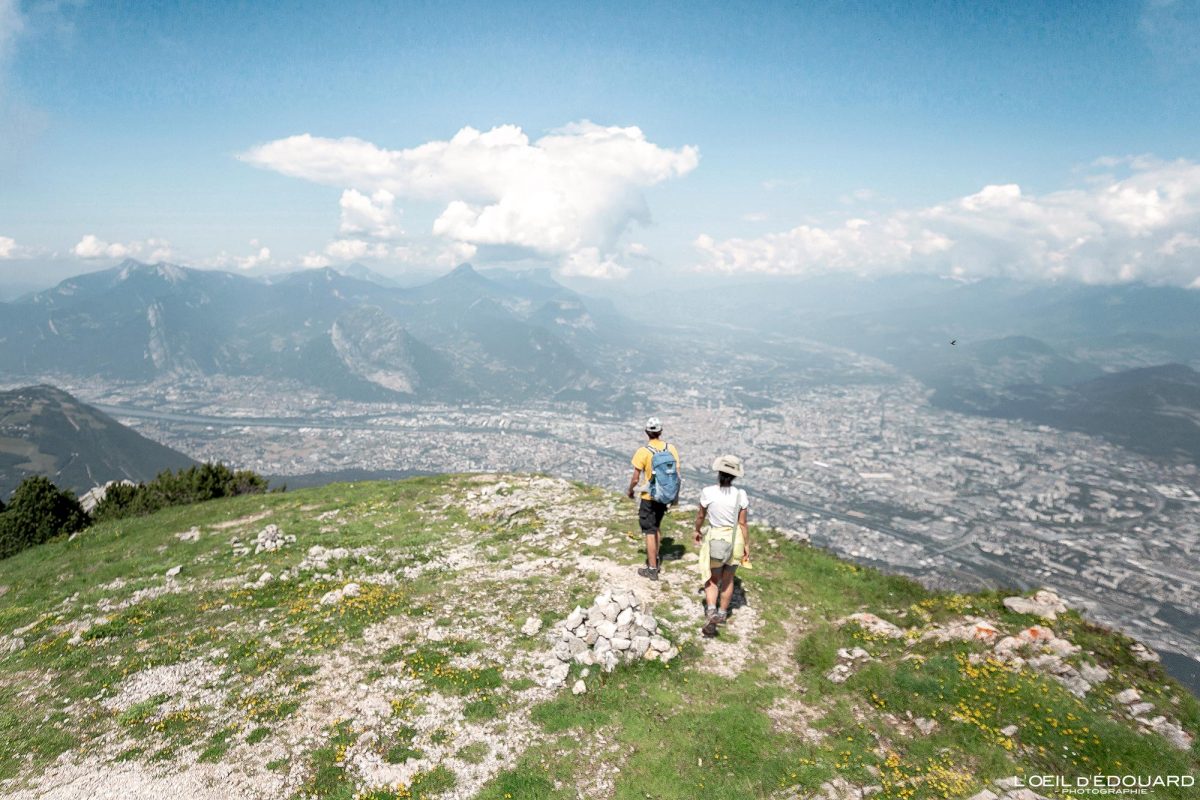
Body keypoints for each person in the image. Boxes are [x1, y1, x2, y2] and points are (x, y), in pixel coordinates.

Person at [693, 454, 749, 637]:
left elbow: (701, 516)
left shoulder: (708, 492)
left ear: (718, 472)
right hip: (735, 541)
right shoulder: (741, 495)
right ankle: (723, 613)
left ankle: (711, 611)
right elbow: (742, 523)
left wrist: (697, 530)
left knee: (712, 578)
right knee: (729, 579)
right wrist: (746, 545)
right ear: (734, 475)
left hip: (716, 539)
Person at [626, 416, 680, 581]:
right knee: (656, 526)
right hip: (664, 496)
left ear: (647, 432)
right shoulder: (670, 448)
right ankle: (655, 557)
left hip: (649, 497)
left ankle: (652, 568)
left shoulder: (643, 452)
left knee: (649, 531)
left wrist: (630, 491)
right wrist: (675, 497)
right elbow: (677, 475)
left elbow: (635, 478)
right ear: (661, 431)